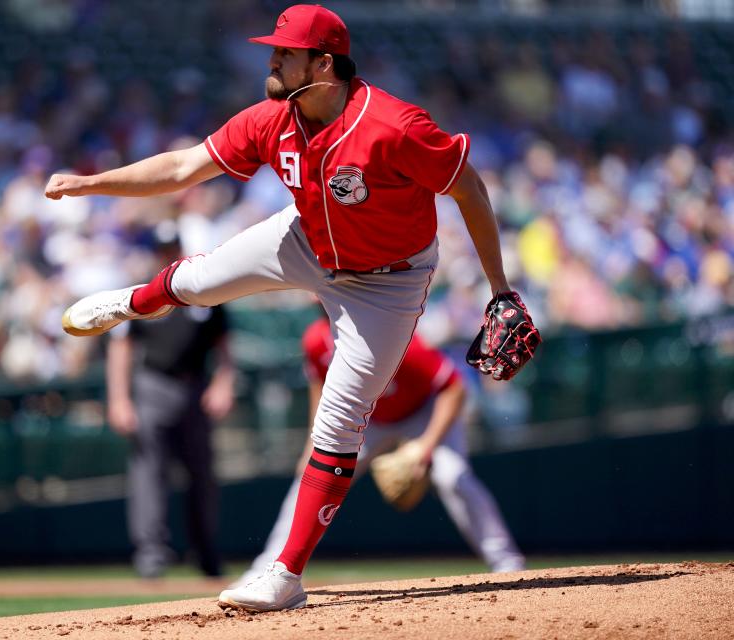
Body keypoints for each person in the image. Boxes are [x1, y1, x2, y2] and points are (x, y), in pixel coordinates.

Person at [46, 4, 537, 611]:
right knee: (199, 281)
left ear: (323, 64)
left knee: (337, 421)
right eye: (273, 49)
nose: (272, 60)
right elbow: (180, 167)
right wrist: (89, 184)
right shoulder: (272, 120)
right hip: (308, 240)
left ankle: (284, 573)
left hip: (387, 283)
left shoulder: (395, 125)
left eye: (285, 52)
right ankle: (130, 302)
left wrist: (499, 289)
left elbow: (468, 186)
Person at [235, 314, 525, 587]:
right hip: (367, 419)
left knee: (453, 476)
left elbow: (453, 387)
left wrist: (426, 446)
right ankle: (266, 568)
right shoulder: (315, 340)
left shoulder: (394, 338)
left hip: (423, 414)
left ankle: (507, 562)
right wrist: (312, 442)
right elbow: (319, 386)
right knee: (311, 478)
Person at [106, 222, 235, 579]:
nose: (166, 255)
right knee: (149, 473)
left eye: (170, 249)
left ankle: (206, 553)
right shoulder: (142, 293)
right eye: (161, 250)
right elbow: (121, 348)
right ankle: (152, 554)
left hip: (195, 388)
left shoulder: (201, 290)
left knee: (203, 475)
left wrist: (224, 383)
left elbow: (225, 347)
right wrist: (119, 399)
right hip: (153, 386)